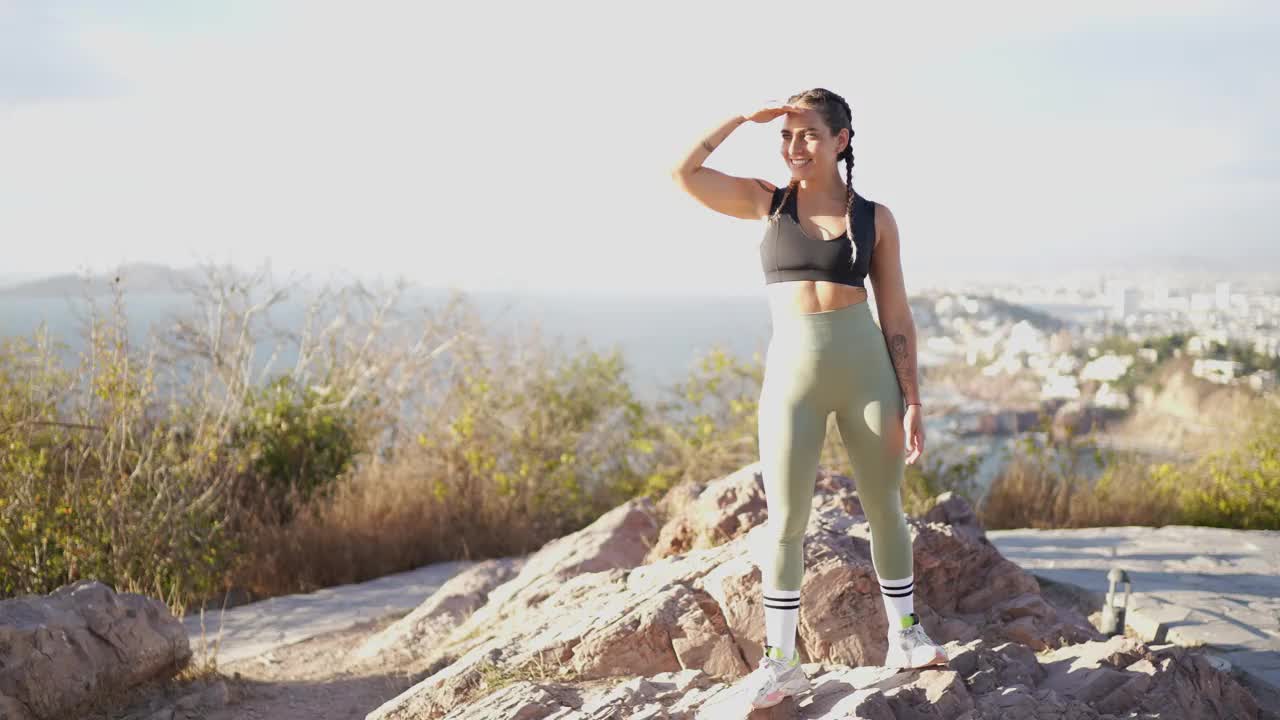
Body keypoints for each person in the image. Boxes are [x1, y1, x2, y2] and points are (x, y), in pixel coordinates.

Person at [669, 88, 948, 709]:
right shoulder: (766, 203)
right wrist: (741, 116)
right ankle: (779, 661)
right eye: (787, 136)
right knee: (787, 521)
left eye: (809, 135)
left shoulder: (876, 218)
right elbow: (683, 173)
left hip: (866, 371)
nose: (795, 146)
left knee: (886, 507)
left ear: (840, 140)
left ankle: (904, 636)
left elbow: (896, 313)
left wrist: (913, 398)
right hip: (792, 375)